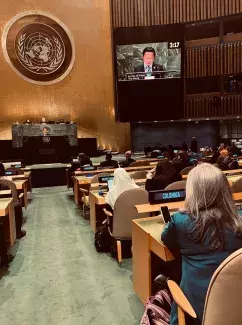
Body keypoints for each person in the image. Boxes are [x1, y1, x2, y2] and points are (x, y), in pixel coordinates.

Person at [161, 163, 242, 325]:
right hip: (236, 303)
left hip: (196, 311)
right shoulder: (238, 220)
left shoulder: (180, 221)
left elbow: (165, 238)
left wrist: (183, 211)